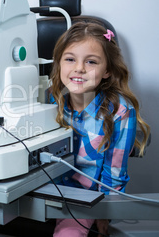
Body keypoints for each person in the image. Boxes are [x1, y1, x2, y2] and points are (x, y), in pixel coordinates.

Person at [48, 22, 150, 237]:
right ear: (59, 64)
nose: (79, 68)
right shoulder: (50, 98)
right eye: (70, 59)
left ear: (107, 71)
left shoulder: (120, 111)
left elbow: (114, 173)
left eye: (91, 62)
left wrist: (105, 212)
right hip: (44, 187)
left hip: (82, 196)